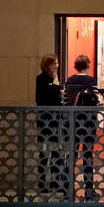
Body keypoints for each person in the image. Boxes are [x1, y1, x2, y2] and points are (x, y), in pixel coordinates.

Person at [63, 55, 100, 199]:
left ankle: (68, 189)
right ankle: (89, 190)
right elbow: (95, 101)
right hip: (88, 122)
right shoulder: (91, 81)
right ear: (88, 65)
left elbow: (66, 102)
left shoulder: (69, 81)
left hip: (72, 122)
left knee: (71, 155)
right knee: (87, 156)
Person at [35, 55, 64, 195]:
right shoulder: (41, 79)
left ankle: (54, 180)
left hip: (55, 120)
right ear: (48, 66)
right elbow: (42, 98)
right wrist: (56, 87)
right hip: (45, 120)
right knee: (44, 151)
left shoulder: (55, 79)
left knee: (55, 151)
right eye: (55, 64)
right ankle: (42, 181)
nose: (57, 66)